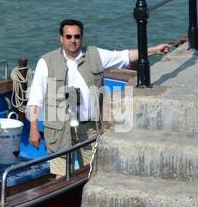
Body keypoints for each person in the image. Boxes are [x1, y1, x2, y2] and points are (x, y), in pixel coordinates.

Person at [27, 19, 170, 177]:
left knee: (92, 173)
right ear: (61, 38)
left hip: (89, 128)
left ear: (82, 37)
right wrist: (34, 129)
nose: (73, 40)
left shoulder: (95, 55)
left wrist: (155, 50)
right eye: (68, 37)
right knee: (61, 177)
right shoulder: (46, 62)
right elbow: (35, 98)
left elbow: (125, 56)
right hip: (59, 129)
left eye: (77, 36)